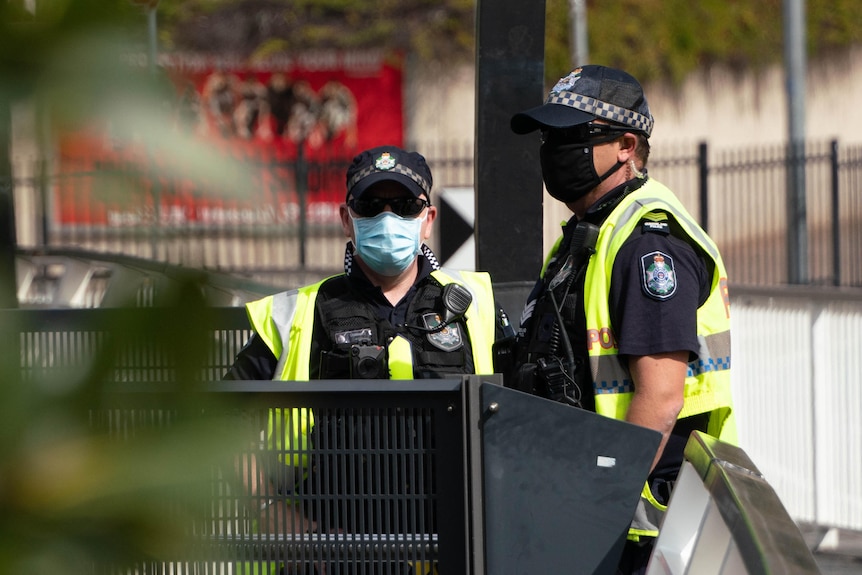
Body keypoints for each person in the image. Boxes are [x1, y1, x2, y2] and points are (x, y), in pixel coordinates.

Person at [224, 145, 501, 569]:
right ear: (346, 219)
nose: (388, 218)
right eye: (370, 205)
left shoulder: (477, 306)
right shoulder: (299, 312)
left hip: (454, 548)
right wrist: (271, 513)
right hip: (331, 552)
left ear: (428, 220)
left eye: (405, 205)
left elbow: (528, 416)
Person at [508, 65, 737, 573]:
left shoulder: (647, 242)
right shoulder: (587, 235)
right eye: (550, 136)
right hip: (587, 512)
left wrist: (596, 501)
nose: (554, 149)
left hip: (637, 529)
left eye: (571, 136)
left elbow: (660, 397)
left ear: (626, 145)